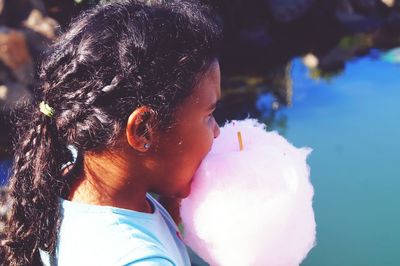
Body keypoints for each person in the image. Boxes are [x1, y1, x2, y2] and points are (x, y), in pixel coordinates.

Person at [0, 0, 222, 265]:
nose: (218, 131)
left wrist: (173, 207)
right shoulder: (139, 259)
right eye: (208, 116)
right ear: (142, 130)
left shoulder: (70, 172)